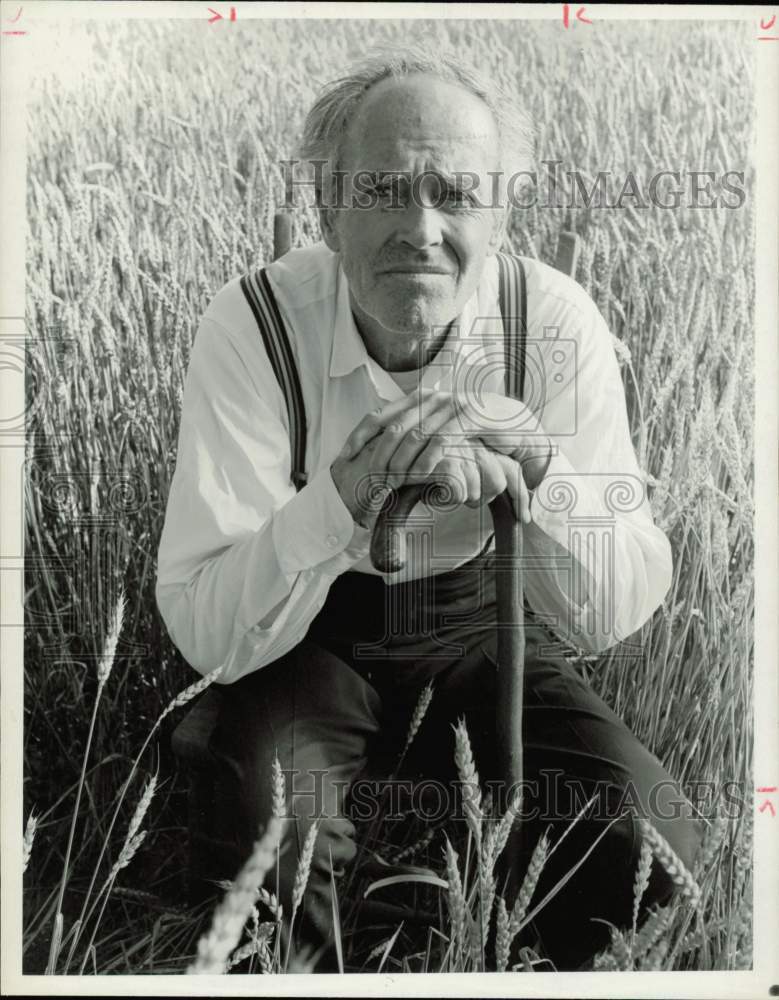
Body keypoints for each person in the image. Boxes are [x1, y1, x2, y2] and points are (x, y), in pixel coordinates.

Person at [156, 45, 701, 971]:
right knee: (269, 843)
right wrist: (342, 498)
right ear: (327, 206)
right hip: (313, 627)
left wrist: (540, 469)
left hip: (487, 621)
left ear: (500, 214)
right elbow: (208, 630)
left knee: (654, 848)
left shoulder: (553, 322)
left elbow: (612, 613)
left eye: (454, 194)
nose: (419, 227)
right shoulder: (251, 326)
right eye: (381, 190)